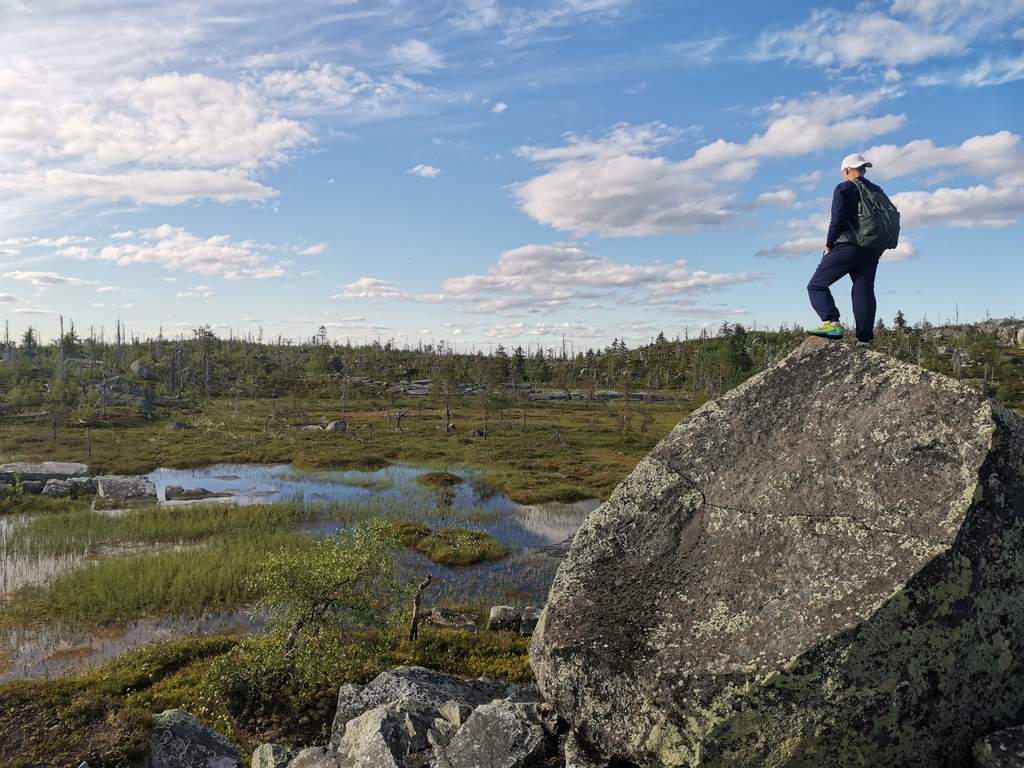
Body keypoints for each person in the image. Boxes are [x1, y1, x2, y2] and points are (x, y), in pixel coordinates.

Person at [806, 153, 886, 344]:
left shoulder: (844, 188)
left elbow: (837, 219)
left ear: (847, 170)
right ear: (864, 169)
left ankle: (832, 323)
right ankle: (864, 339)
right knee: (863, 290)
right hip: (871, 250)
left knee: (816, 285)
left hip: (848, 246)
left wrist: (829, 244)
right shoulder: (877, 191)